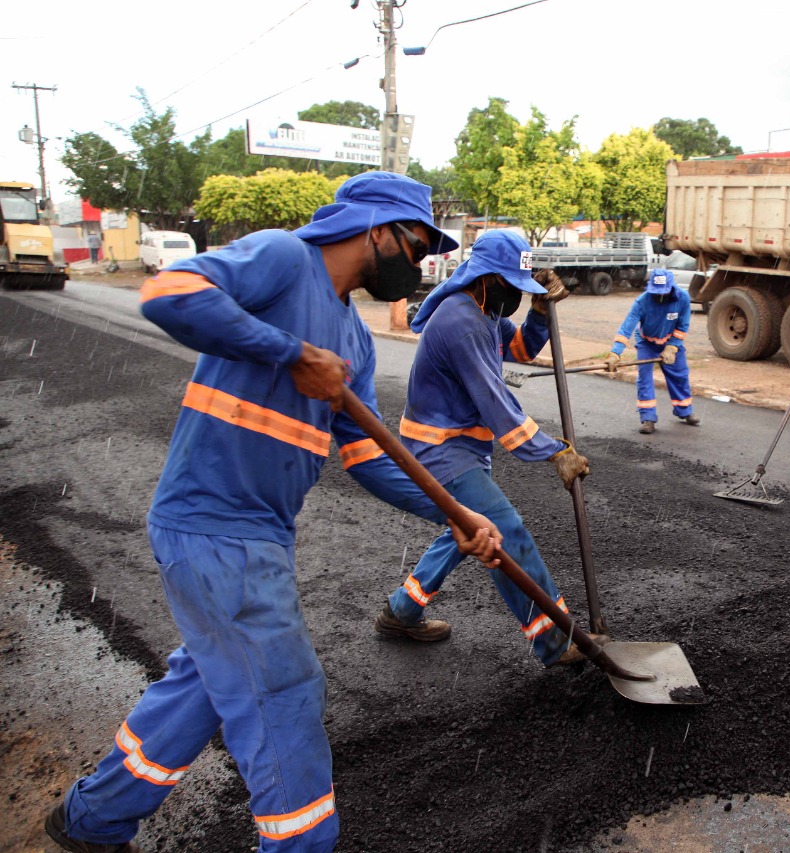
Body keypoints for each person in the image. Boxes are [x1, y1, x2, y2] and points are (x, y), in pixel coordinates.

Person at [44, 171, 505, 853]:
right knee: (283, 692)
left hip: (258, 534)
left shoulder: (355, 337)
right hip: (210, 524)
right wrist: (287, 353)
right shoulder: (285, 261)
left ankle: (92, 818)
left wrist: (459, 515)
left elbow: (372, 458)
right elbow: (168, 294)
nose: (421, 263)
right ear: (378, 229)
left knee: (208, 680)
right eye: (418, 245)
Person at [374, 229, 598, 666]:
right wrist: (554, 451)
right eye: (514, 287)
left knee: (465, 531)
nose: (516, 294)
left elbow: (520, 348)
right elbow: (497, 404)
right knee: (503, 531)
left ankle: (402, 611)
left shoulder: (485, 312)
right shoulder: (461, 321)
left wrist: (538, 312)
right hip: (439, 450)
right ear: (487, 278)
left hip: (462, 446)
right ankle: (554, 641)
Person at [603, 267, 699, 434]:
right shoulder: (642, 301)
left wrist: (672, 347)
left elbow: (682, 326)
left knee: (679, 375)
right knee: (645, 378)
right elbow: (626, 328)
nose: (659, 295)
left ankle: (684, 411)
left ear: (671, 287)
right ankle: (648, 418)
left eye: (663, 291)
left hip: (671, 343)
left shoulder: (682, 298)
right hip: (647, 343)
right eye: (656, 292)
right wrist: (615, 353)